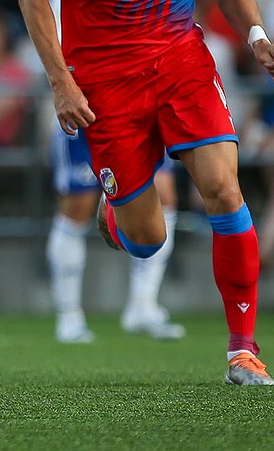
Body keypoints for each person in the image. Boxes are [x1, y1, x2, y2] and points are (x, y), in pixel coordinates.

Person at [19, 0, 274, 385]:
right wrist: (61, 82)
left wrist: (259, 39)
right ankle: (117, 217)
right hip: (106, 84)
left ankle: (242, 350)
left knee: (224, 190)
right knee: (145, 238)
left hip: (181, 64)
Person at [49, 128, 184, 343]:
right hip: (89, 123)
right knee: (77, 209)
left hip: (138, 123)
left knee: (164, 195)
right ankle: (69, 315)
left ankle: (143, 304)